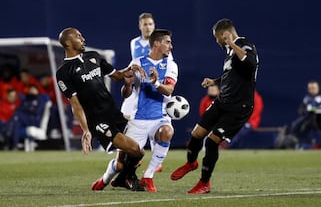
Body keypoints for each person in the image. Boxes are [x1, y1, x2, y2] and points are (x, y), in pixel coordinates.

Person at [170, 18, 259, 194]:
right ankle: (191, 162)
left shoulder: (246, 45)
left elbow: (250, 64)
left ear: (224, 34)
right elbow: (232, 74)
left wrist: (232, 43)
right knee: (197, 134)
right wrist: (215, 81)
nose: (217, 41)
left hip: (238, 107)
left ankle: (204, 183)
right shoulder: (230, 52)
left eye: (217, 37)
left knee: (212, 142)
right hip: (222, 101)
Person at [92, 29, 178, 193]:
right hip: (137, 119)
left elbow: (168, 90)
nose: (170, 46)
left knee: (167, 132)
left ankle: (148, 177)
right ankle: (105, 179)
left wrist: (156, 83)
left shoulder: (171, 65)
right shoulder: (137, 62)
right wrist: (128, 84)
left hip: (160, 118)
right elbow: (126, 93)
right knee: (120, 163)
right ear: (156, 44)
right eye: (167, 42)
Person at [56, 28, 144, 184]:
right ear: (68, 43)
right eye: (78, 37)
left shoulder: (94, 57)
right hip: (98, 121)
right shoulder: (64, 72)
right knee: (136, 150)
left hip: (114, 113)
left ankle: (116, 178)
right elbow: (75, 105)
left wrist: (129, 71)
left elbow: (116, 75)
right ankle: (127, 178)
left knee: (137, 153)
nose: (83, 39)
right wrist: (86, 130)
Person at [6, 85, 48, 150]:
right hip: (26, 120)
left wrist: (27, 108)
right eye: (31, 90)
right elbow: (19, 108)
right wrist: (29, 108)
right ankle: (15, 146)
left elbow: (37, 111)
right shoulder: (27, 99)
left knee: (17, 115)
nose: (32, 91)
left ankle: (8, 134)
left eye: (34, 90)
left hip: (35, 120)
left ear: (37, 91)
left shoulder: (41, 99)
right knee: (17, 122)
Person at [286, 80, 321, 147]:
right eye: (310, 88)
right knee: (295, 125)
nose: (312, 90)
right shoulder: (307, 98)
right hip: (306, 117)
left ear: (318, 88)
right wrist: (303, 110)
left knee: (304, 127)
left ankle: (309, 145)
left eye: (313, 88)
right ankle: (296, 143)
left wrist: (314, 109)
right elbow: (301, 108)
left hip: (318, 119)